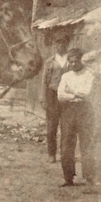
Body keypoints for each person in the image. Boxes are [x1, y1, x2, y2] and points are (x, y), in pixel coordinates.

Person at [57, 48, 97, 187]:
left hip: (84, 110)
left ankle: (89, 177)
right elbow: (60, 95)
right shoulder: (66, 76)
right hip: (68, 110)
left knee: (86, 143)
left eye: (76, 61)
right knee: (66, 144)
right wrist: (73, 96)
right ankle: (68, 177)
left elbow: (87, 93)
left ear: (81, 60)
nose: (73, 64)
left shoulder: (89, 75)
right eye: (71, 61)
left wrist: (71, 91)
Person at [42, 32, 71, 163]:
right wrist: (44, 98)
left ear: (67, 44)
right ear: (55, 45)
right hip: (52, 95)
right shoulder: (50, 61)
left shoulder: (71, 60)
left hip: (67, 96)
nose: (61, 45)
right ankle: (51, 154)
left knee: (66, 126)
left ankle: (64, 154)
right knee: (52, 126)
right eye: (58, 43)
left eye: (63, 42)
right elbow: (44, 81)